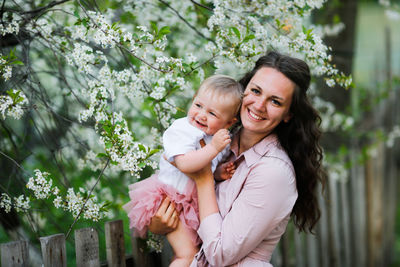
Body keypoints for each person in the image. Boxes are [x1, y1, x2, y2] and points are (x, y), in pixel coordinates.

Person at [148, 51, 325, 266]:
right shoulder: (217, 141)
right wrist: (161, 224)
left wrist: (204, 179)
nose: (259, 105)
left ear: (288, 114)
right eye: (256, 91)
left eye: (275, 102)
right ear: (244, 91)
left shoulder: (272, 171)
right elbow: (175, 189)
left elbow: (220, 255)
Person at [123, 75, 243, 267]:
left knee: (197, 256)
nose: (202, 115)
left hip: (190, 204)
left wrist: (218, 172)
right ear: (193, 98)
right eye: (198, 105)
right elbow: (186, 165)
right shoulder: (182, 129)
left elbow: (204, 169)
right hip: (171, 201)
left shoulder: (217, 139)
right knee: (187, 256)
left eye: (213, 114)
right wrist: (213, 150)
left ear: (229, 123)